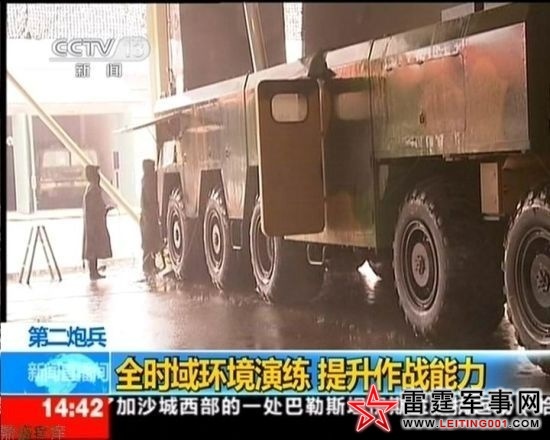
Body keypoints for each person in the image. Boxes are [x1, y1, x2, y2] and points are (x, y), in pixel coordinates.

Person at [82, 165, 113, 280]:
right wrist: (105, 210)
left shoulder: (90, 188)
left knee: (92, 248)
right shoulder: (94, 189)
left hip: (92, 224)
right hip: (94, 225)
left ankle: (94, 271)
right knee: (93, 248)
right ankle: (93, 272)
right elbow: (95, 208)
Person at [140, 159, 163, 275]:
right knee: (149, 243)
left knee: (150, 243)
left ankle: (150, 265)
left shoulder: (145, 180)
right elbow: (151, 199)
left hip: (148, 216)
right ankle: (147, 266)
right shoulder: (148, 181)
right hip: (148, 217)